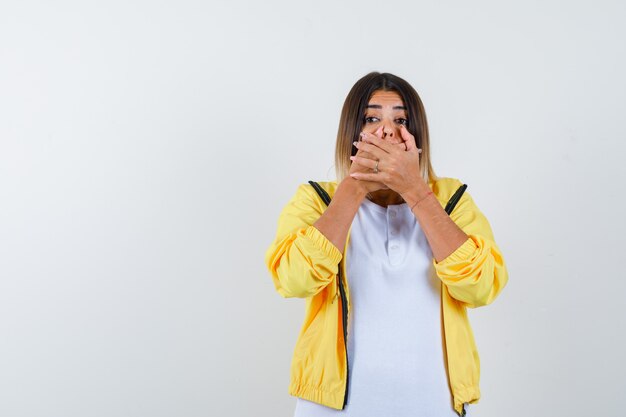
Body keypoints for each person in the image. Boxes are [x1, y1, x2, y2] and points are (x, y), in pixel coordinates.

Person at [264, 72, 508, 417]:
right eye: (372, 118)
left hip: (433, 405)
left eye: (401, 119)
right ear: (353, 133)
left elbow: (481, 287)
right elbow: (293, 280)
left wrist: (414, 189)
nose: (387, 131)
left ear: (417, 134)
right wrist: (354, 187)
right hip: (333, 408)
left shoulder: (452, 200)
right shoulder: (316, 200)